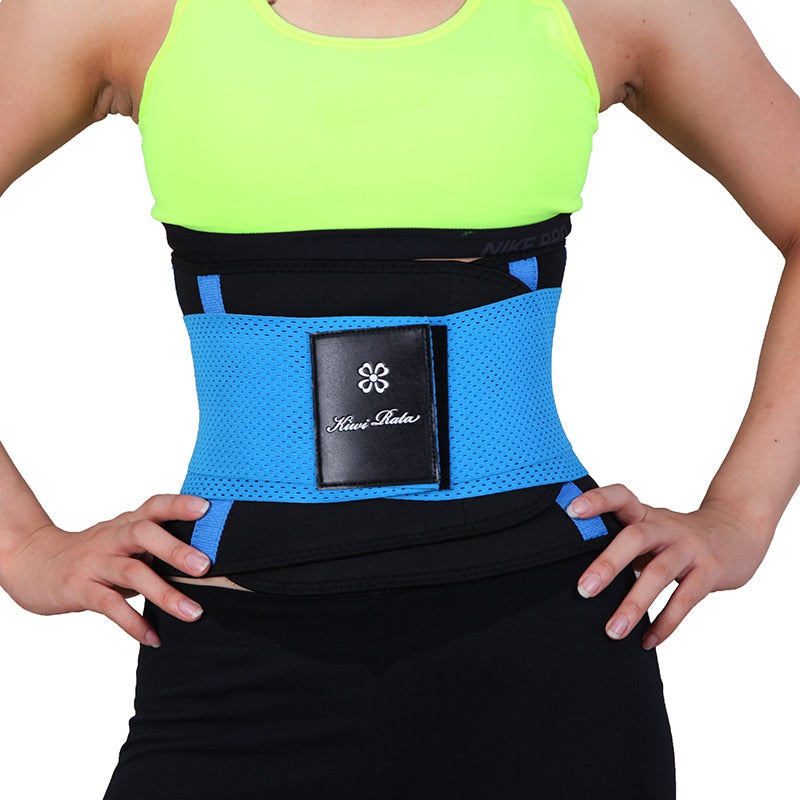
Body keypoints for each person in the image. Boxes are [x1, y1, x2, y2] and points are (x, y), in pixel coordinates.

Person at [0, 0, 798, 797]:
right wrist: (21, 545)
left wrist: (743, 513)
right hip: (236, 659)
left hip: (548, 647)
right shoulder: (117, 11)